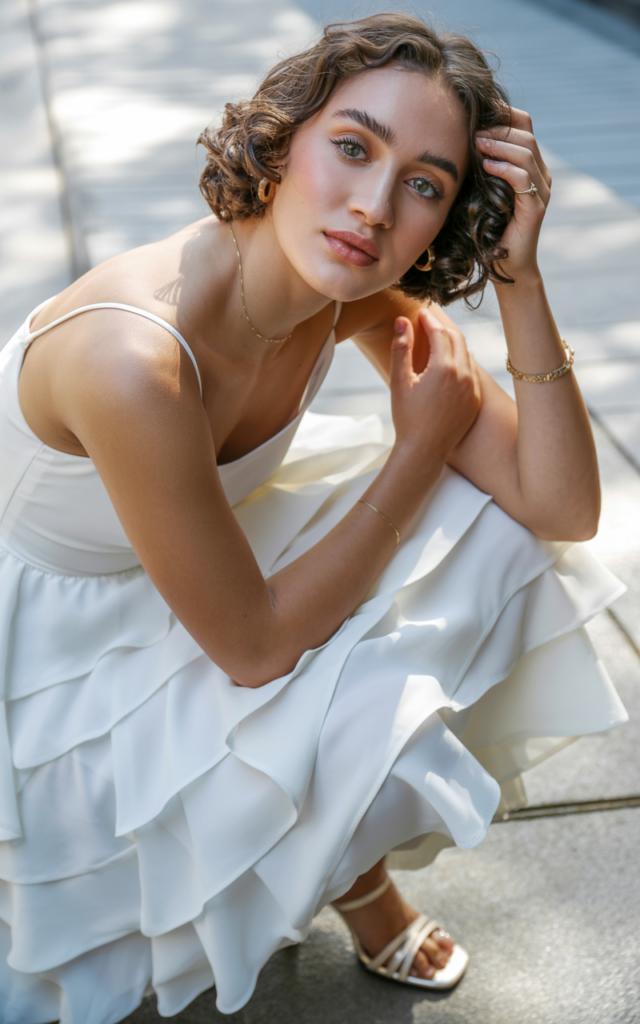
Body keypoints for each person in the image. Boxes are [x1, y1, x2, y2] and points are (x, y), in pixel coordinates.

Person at [0, 11, 627, 1024]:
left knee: (497, 537)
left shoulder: (344, 286)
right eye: (351, 147)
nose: (374, 207)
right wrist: (417, 451)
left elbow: (559, 504)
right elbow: (251, 649)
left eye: (424, 183)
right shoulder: (132, 361)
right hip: (49, 643)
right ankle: (350, 873)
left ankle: (343, 862)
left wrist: (519, 275)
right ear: (280, 142)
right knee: (347, 659)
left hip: (205, 563)